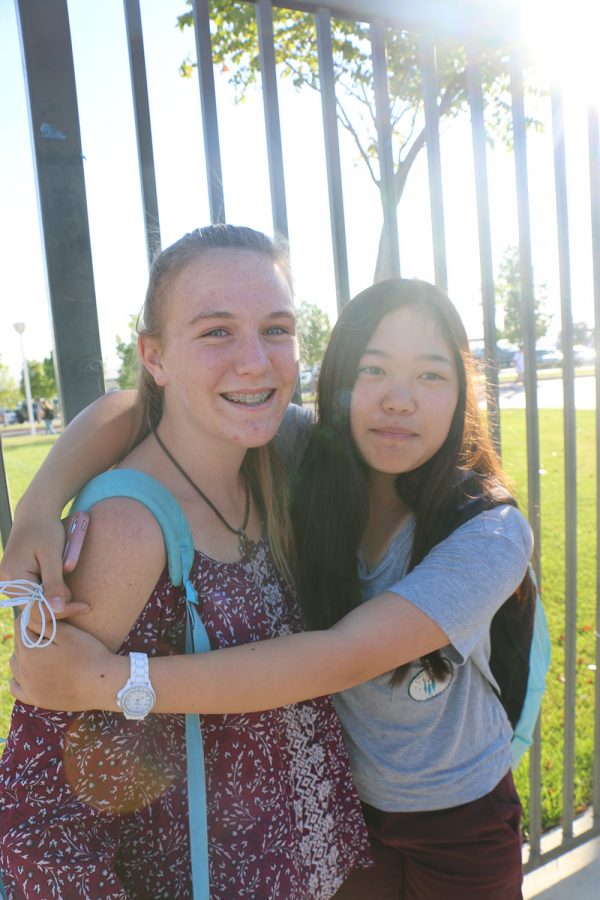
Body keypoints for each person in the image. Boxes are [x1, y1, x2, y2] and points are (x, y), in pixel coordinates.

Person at [4, 279, 533, 899]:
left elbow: (341, 656)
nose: (398, 401)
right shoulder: (304, 448)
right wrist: (39, 507)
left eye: (431, 376)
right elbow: (138, 406)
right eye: (374, 369)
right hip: (345, 808)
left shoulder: (490, 532)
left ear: (463, 391)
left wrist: (109, 681)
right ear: (338, 382)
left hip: (458, 812)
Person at [0, 224, 371, 899]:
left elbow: (117, 409)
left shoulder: (269, 462)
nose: (256, 361)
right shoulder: (128, 530)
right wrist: (41, 506)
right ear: (155, 356)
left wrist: (39, 494)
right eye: (215, 332)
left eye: (278, 328)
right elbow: (40, 820)